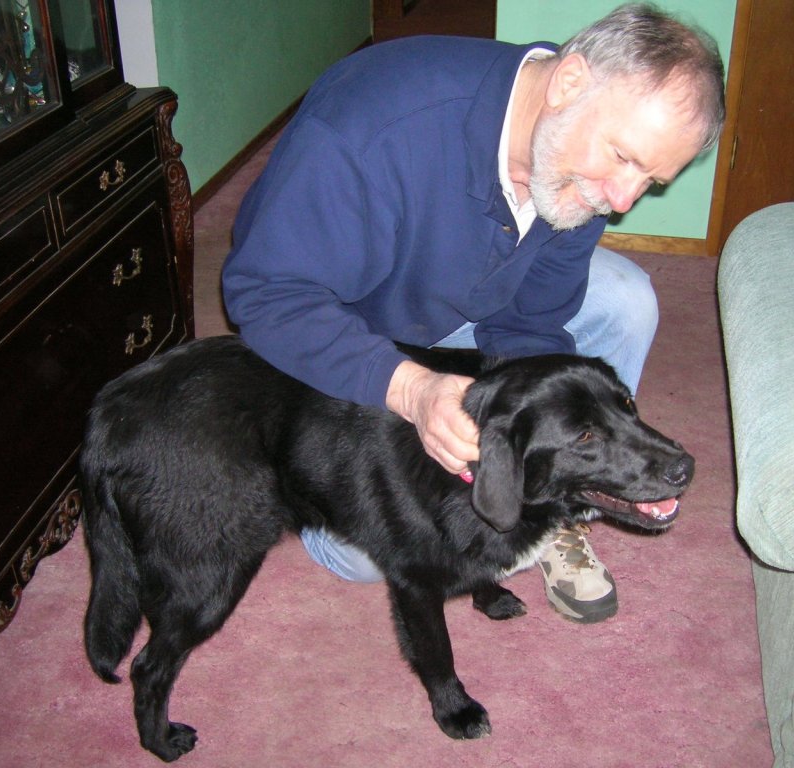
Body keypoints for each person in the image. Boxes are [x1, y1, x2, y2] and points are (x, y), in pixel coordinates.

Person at [222, 3, 725, 623]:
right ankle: (328, 507)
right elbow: (266, 295)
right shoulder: (368, 130)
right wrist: (412, 390)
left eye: (651, 179)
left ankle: (562, 500)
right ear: (568, 83)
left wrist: (521, 454)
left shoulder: (570, 170)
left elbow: (532, 325)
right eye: (624, 157)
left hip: (455, 310)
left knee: (625, 300)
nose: (622, 200)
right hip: (347, 331)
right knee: (370, 556)